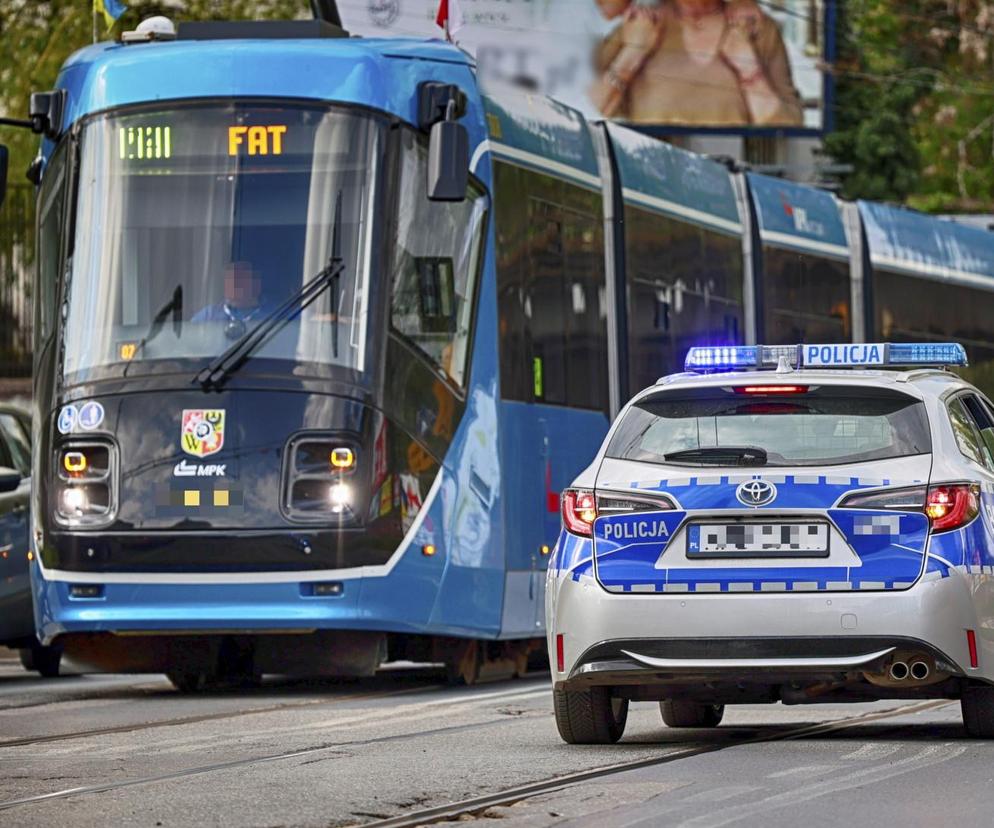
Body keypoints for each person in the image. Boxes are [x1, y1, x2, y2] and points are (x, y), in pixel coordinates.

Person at [590, 0, 804, 127]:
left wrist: (750, 71)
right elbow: (588, 114)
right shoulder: (638, 25)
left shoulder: (755, 27)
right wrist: (631, 54)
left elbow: (787, 130)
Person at [192, 261, 274, 334]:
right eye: (229, 279)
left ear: (256, 284)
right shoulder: (208, 315)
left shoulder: (273, 315)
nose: (233, 284)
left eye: (240, 279)